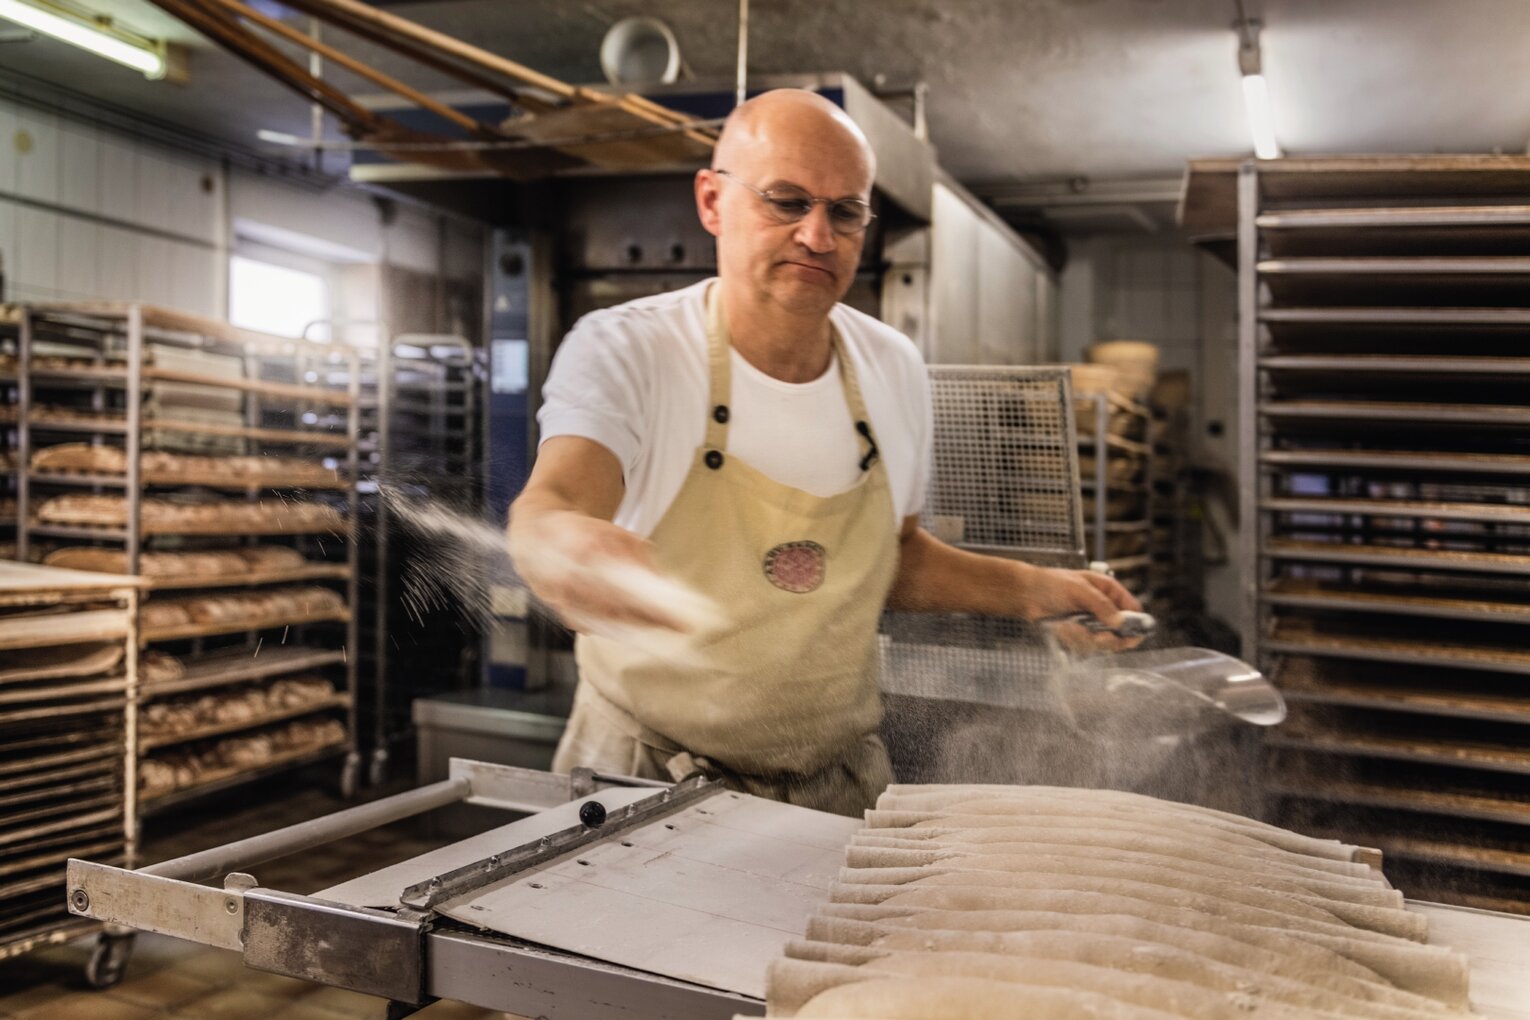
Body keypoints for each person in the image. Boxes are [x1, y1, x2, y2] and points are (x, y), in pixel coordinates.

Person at [507, 88, 1139, 816]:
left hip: (833, 786)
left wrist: (1034, 590)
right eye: (786, 201)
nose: (817, 236)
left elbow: (894, 556)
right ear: (712, 202)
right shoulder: (629, 348)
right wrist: (562, 546)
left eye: (845, 212)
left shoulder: (893, 366)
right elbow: (555, 503)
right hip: (644, 781)